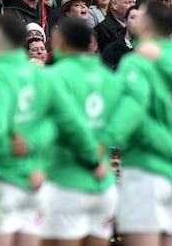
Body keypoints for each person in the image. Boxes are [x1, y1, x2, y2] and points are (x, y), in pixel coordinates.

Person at [0, 14, 104, 246]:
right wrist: (93, 159)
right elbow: (68, 122)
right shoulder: (43, 76)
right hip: (34, 181)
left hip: (1, 178)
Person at [102, 1, 172, 246]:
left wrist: (102, 140)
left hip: (147, 168)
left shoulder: (137, 62)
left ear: (147, 24)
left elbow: (133, 112)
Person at [43, 17, 120, 246]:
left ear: (60, 43)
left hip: (66, 181)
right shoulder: (111, 79)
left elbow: (67, 123)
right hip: (103, 185)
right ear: (92, 45)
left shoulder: (53, 77)